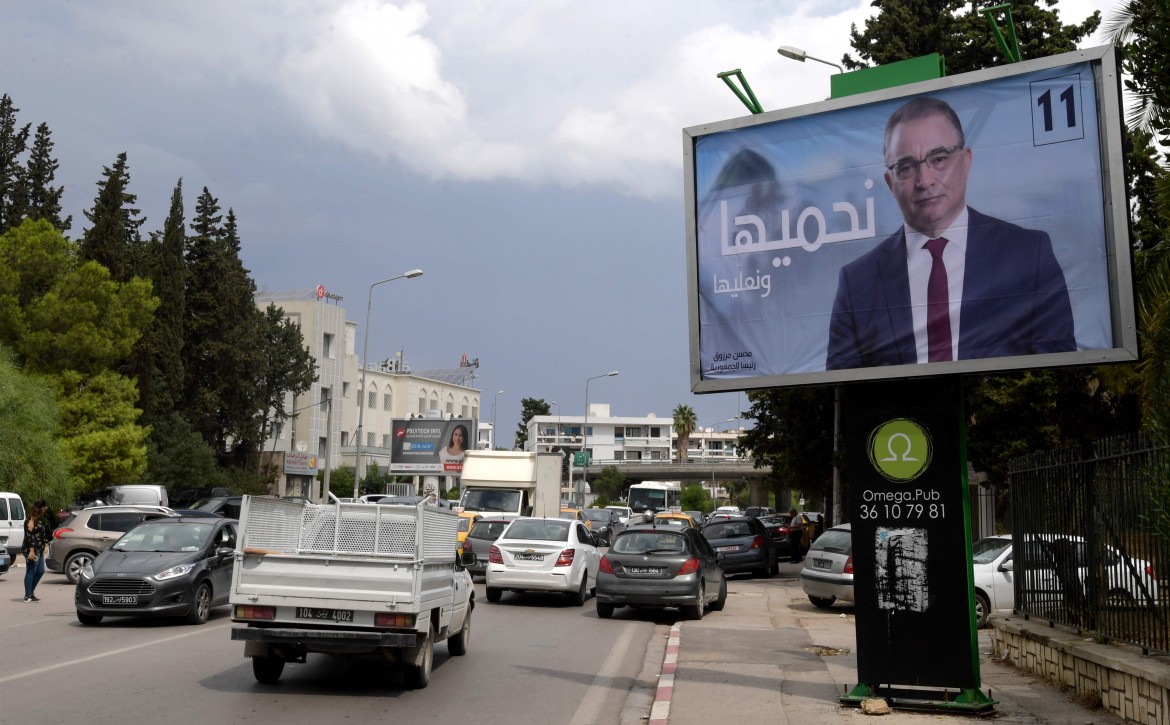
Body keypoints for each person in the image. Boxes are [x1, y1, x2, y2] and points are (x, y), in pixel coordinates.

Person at [826, 96, 1075, 370]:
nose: (925, 180)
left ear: (966, 161)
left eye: (939, 158)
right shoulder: (857, 283)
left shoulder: (1029, 256)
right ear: (890, 182)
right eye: (906, 167)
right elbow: (844, 392)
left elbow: (1058, 375)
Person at [22, 499, 49, 603]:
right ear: (42, 508)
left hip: (39, 549)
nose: (45, 510)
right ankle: (27, 595)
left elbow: (41, 534)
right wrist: (31, 551)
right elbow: (29, 536)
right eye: (44, 508)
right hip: (31, 549)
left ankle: (30, 592)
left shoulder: (39, 519)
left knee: (41, 570)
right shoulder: (31, 520)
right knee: (30, 571)